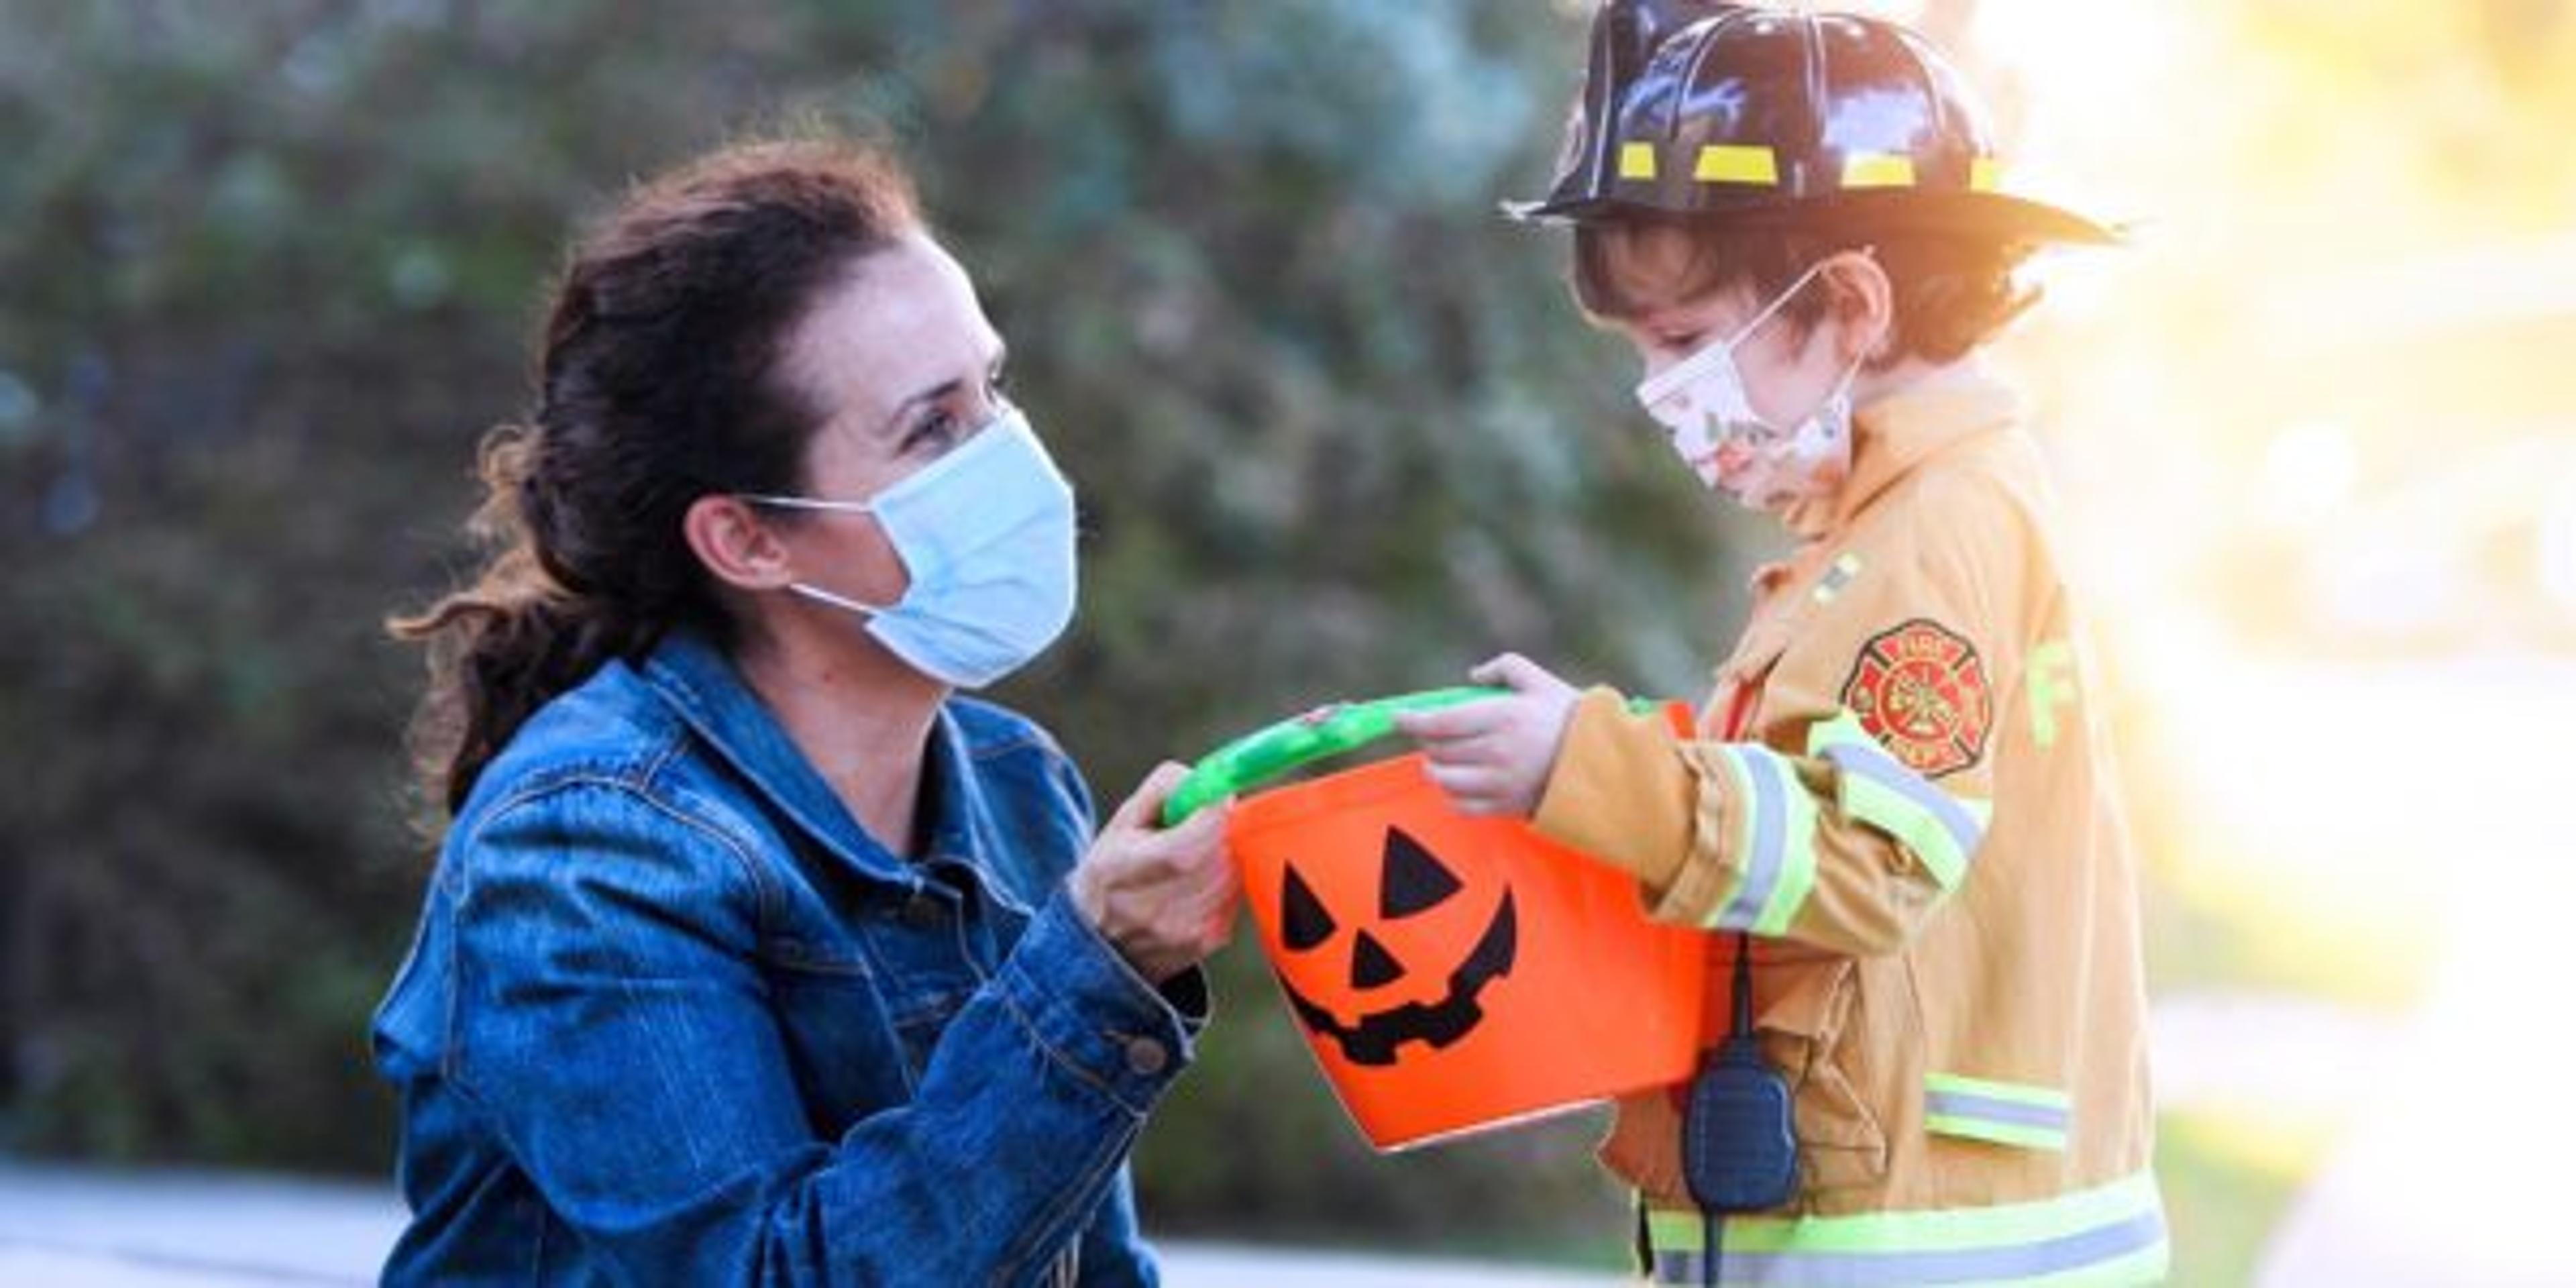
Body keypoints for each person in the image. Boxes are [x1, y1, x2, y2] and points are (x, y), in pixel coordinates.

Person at [372, 135, 1238, 1286]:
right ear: (748, 537)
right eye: (932, 429)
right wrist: (1093, 975)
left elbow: (1084, 1265)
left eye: (994, 389)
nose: (1011, 460)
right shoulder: (587, 848)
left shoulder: (1018, 784)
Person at [1395, 3, 2167, 1283]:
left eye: (1686, 342)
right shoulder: (1889, 522)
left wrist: (1587, 770)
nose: (1660, 393)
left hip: (1922, 1244)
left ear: (1850, 304)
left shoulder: (1933, 529)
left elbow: (1866, 858)